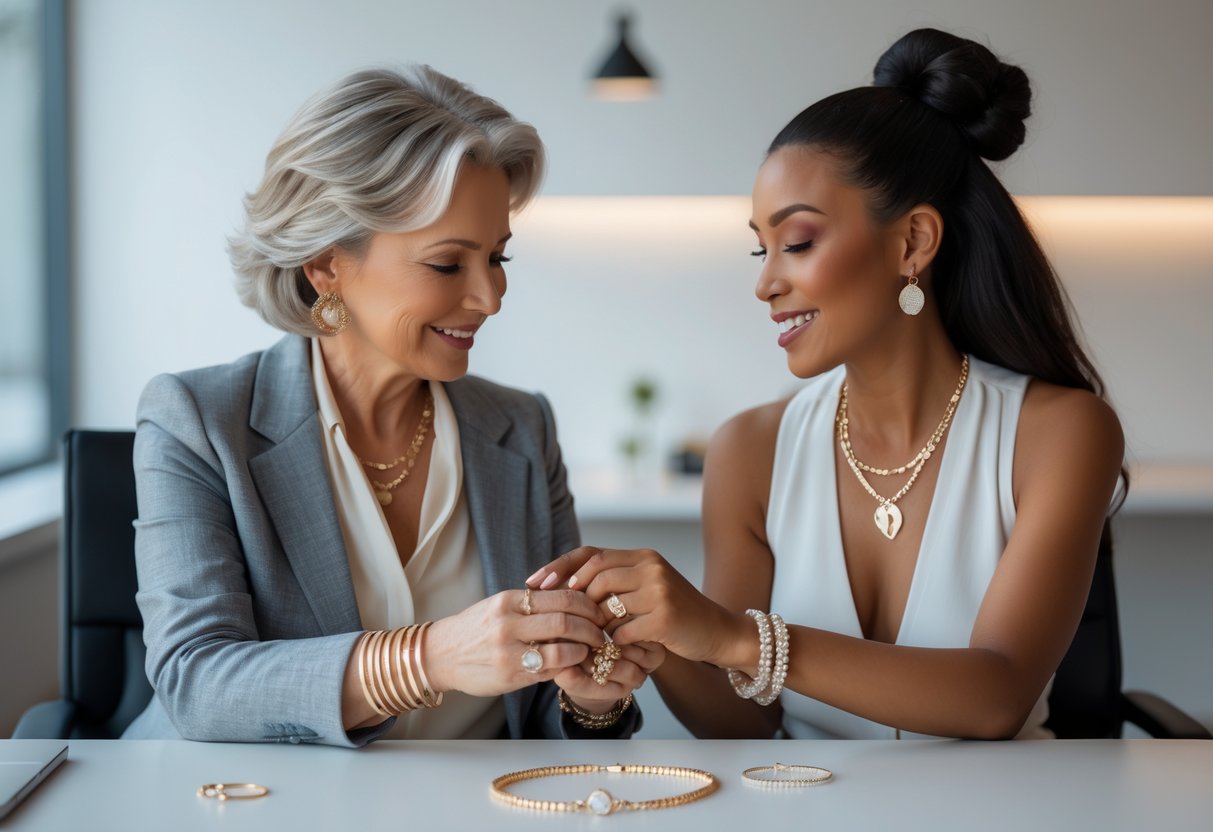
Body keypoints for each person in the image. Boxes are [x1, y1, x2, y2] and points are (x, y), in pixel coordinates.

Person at [530, 29, 1125, 740]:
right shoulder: (748, 448)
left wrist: (732, 636)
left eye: (798, 242)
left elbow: (994, 695)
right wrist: (643, 635)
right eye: (761, 246)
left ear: (912, 243)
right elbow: (740, 723)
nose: (765, 283)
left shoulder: (1059, 432)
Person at [123, 66, 659, 746]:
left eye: (498, 258)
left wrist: (591, 699)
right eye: (446, 264)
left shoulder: (521, 429)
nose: (489, 298)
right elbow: (196, 683)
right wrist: (431, 657)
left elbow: (548, 716)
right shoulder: (198, 420)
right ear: (325, 265)